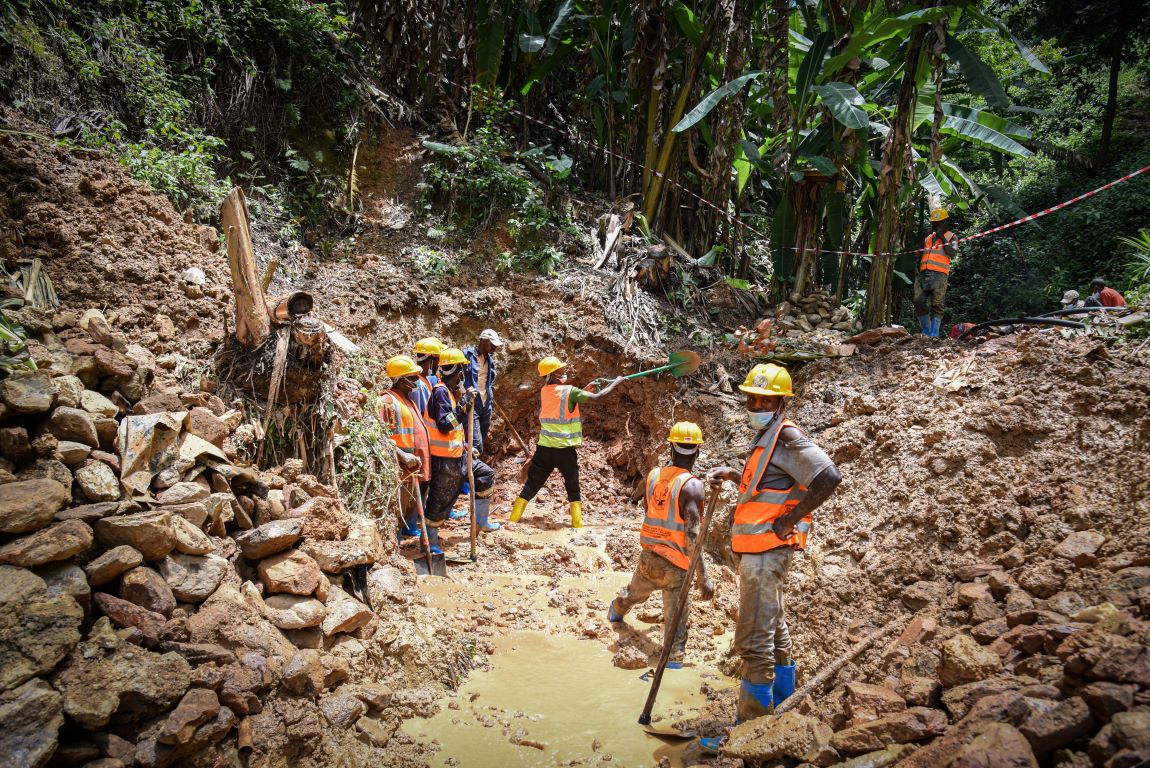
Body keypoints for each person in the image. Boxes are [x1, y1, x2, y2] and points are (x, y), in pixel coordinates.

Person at [699, 363, 841, 753]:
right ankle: (781, 707)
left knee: (753, 638)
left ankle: (750, 731)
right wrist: (732, 473)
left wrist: (787, 521)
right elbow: (766, 483)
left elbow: (828, 476)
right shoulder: (766, 436)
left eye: (764, 399)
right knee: (774, 629)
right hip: (759, 552)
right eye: (751, 397)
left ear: (781, 403)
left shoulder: (787, 436)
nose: (755, 403)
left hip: (767, 551)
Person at [608, 422, 714, 669]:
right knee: (676, 623)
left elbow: (649, 510)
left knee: (633, 594)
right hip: (676, 565)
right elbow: (693, 536)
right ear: (697, 451)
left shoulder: (654, 475)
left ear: (670, 448)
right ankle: (674, 663)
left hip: (649, 555)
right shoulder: (693, 486)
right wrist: (703, 577)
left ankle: (615, 612)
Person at [509, 357, 625, 528]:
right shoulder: (569, 391)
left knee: (532, 484)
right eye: (560, 371)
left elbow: (562, 402)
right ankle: (577, 525)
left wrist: (583, 390)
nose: (563, 373)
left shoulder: (545, 391)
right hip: (564, 450)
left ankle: (512, 520)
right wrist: (617, 382)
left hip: (544, 449)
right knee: (573, 486)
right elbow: (598, 397)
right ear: (552, 375)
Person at [423, 348, 498, 547]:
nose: (464, 373)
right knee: (439, 501)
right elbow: (445, 424)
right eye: (463, 368)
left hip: (458, 454)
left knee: (485, 475)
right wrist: (463, 404)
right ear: (457, 370)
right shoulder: (440, 392)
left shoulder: (450, 392)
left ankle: (481, 523)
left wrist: (465, 445)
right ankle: (430, 543)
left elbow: (455, 427)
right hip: (444, 459)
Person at [379, 355, 431, 540]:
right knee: (397, 512)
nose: (417, 381)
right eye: (413, 377)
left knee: (408, 507)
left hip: (413, 469)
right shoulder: (387, 401)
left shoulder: (408, 400)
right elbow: (379, 437)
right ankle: (395, 549)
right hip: (401, 468)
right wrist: (402, 455)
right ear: (401, 380)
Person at [913, 208, 959, 338]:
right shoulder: (928, 238)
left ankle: (934, 334)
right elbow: (919, 254)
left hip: (939, 274)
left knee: (937, 304)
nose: (936, 225)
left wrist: (942, 237)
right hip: (923, 274)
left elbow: (952, 252)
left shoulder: (952, 236)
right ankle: (926, 331)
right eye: (934, 223)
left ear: (946, 222)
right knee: (918, 300)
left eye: (939, 223)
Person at [463, 329, 503, 453]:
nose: (495, 347)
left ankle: (471, 466)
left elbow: (489, 381)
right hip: (472, 404)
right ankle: (471, 470)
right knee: (476, 444)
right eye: (492, 344)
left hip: (486, 405)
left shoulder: (490, 361)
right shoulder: (466, 355)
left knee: (481, 438)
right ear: (483, 341)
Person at [411, 337, 443, 417]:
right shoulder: (418, 384)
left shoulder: (426, 380)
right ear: (431, 362)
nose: (438, 364)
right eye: (437, 361)